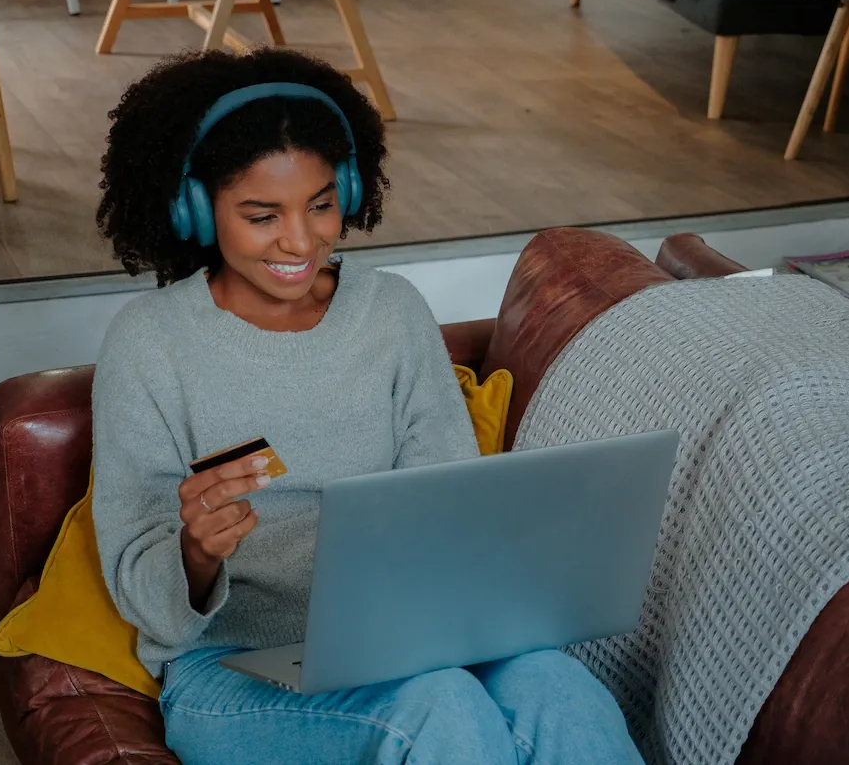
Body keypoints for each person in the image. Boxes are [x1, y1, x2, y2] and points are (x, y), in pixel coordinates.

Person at [90, 47, 644, 765]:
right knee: (438, 708)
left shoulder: (390, 312)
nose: (300, 240)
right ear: (197, 209)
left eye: (321, 204)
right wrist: (196, 550)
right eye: (262, 215)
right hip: (229, 668)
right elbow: (143, 593)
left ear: (348, 188)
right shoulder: (151, 343)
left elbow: (449, 498)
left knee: (558, 687)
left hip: (408, 646)